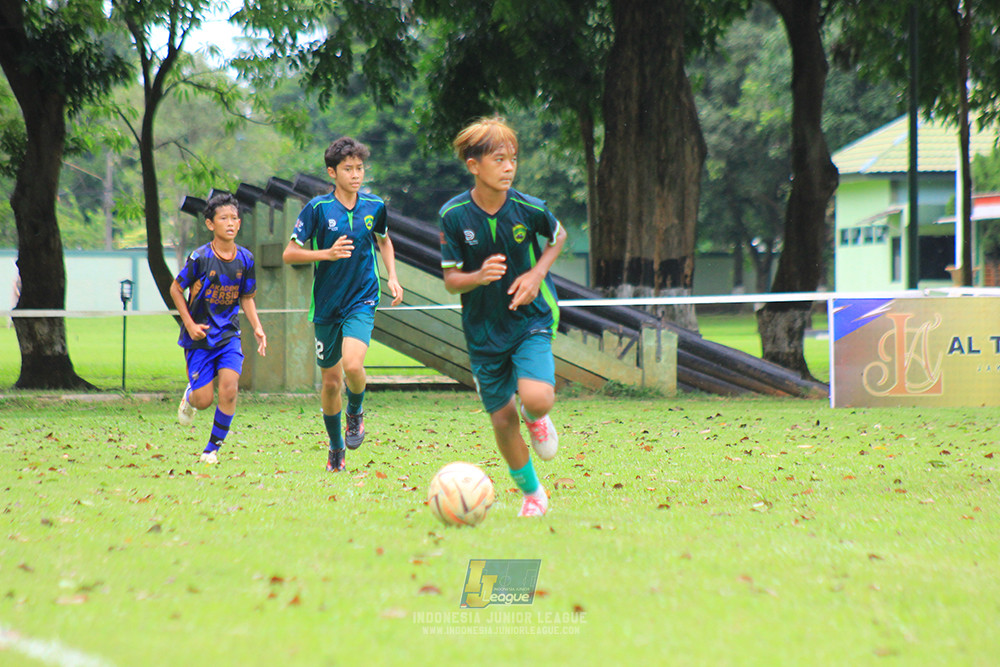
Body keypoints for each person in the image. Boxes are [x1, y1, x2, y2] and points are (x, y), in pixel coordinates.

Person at [438, 116, 567, 517]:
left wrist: (536, 272)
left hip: (531, 318)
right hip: (482, 330)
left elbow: (558, 236)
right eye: (499, 159)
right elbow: (450, 281)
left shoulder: (530, 208)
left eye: (513, 158)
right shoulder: (454, 215)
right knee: (501, 421)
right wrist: (477, 277)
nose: (509, 167)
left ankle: (537, 417)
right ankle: (533, 495)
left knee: (536, 398)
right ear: (474, 165)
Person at [283, 136, 403, 473]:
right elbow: (290, 253)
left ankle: (356, 412)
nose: (355, 174)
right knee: (332, 382)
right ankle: (336, 448)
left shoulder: (374, 206)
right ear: (332, 173)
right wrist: (326, 253)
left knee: (353, 366)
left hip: (362, 298)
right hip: (326, 305)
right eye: (348, 169)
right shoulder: (318, 209)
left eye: (360, 168)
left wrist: (392, 276)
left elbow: (384, 240)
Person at [171, 193, 267, 464]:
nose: (230, 223)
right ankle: (190, 396)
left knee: (229, 389)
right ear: (210, 224)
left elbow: (246, 297)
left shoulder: (245, 259)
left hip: (228, 336)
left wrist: (257, 327)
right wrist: (188, 325)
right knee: (204, 400)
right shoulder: (200, 257)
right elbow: (176, 289)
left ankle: (211, 449)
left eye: (234, 218)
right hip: (200, 337)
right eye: (223, 218)